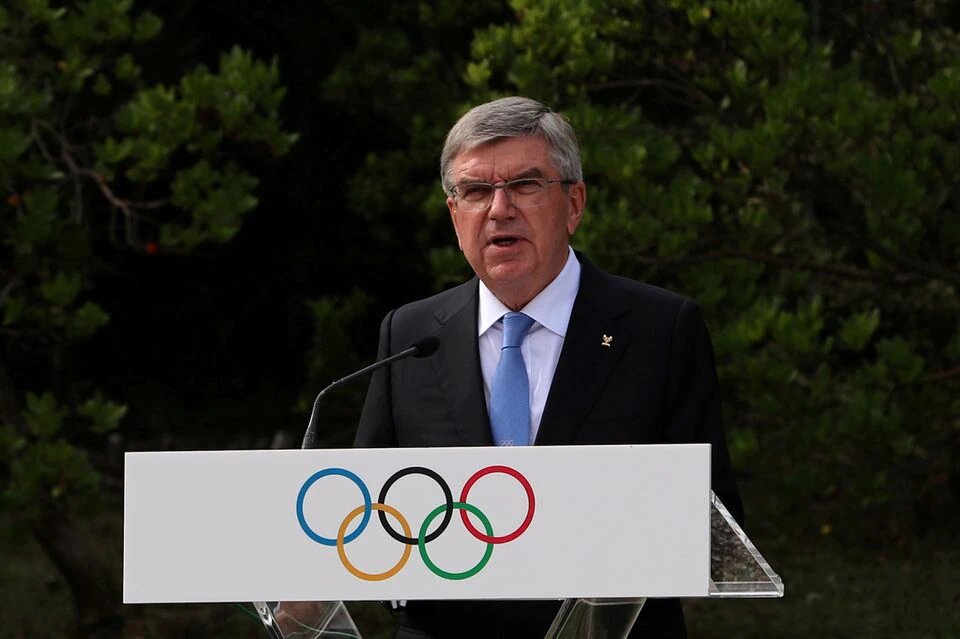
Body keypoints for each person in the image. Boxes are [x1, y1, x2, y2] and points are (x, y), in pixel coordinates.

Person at [355, 96, 743, 639]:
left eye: (525, 185)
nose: (499, 209)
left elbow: (715, 520)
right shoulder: (411, 334)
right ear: (453, 214)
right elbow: (367, 513)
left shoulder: (660, 329)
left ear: (574, 204)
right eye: (475, 191)